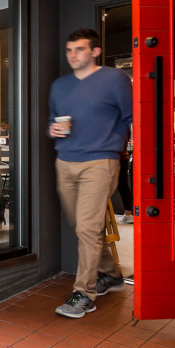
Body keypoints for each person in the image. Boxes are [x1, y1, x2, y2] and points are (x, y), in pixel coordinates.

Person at [49, 28, 132, 318]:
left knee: (87, 228)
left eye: (80, 49)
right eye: (69, 49)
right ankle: (111, 274)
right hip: (65, 161)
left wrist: (115, 146)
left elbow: (132, 116)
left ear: (95, 51)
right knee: (85, 226)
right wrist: (53, 128)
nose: (73, 55)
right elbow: (53, 121)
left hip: (100, 162)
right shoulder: (60, 86)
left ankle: (84, 293)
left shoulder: (114, 79)